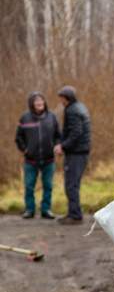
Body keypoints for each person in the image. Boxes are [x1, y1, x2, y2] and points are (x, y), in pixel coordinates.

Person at [15, 92, 60, 219]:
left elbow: (58, 135)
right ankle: (30, 210)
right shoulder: (25, 118)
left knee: (48, 186)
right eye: (37, 101)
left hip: (48, 159)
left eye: (41, 101)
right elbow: (18, 138)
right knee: (29, 186)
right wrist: (25, 150)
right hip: (30, 160)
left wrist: (56, 145)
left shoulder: (51, 117)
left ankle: (46, 210)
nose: (40, 103)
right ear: (32, 104)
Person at [55, 85, 91, 225]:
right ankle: (72, 213)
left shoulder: (72, 110)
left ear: (66, 98)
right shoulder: (79, 107)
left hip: (76, 153)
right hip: (80, 152)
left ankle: (75, 216)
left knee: (71, 185)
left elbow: (76, 132)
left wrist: (62, 146)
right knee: (73, 184)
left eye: (61, 98)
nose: (60, 101)